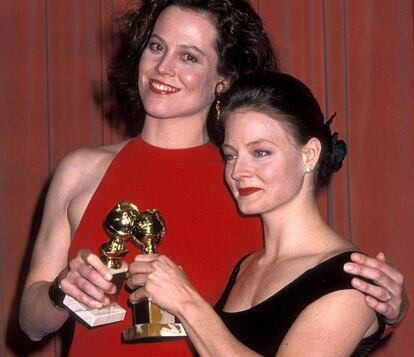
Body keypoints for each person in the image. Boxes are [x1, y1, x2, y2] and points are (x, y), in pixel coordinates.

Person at [19, 1, 406, 356]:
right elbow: (30, 325)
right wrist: (60, 291)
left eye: (189, 56)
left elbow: (310, 275)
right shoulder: (80, 171)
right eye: (157, 47)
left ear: (223, 78)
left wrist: (383, 310)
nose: (163, 67)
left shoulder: (245, 181)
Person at [127, 71, 394, 356]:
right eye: (231, 155)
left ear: (309, 155)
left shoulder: (353, 279)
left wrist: (186, 303)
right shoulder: (246, 265)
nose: (237, 172)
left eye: (260, 152)